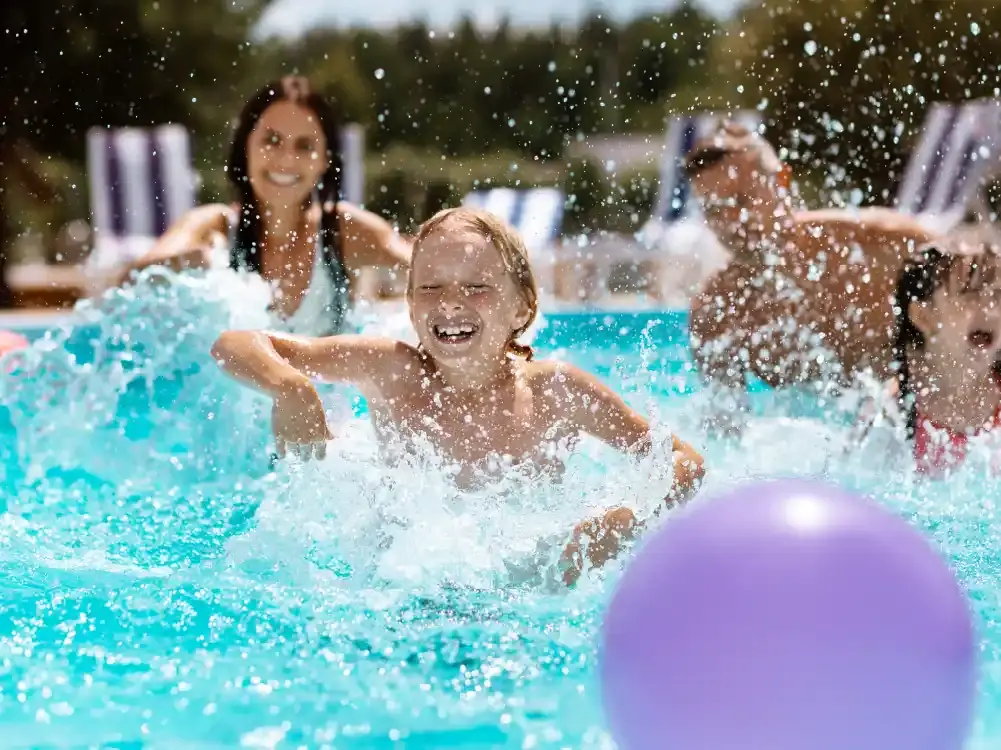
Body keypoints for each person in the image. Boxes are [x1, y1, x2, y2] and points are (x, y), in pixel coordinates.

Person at [211, 206, 706, 586]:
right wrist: (290, 387)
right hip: (401, 587)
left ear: (522, 307)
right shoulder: (390, 371)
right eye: (430, 286)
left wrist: (621, 524)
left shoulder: (557, 392)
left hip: (527, 592)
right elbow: (235, 343)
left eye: (477, 286)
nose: (450, 302)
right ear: (408, 304)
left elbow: (684, 460)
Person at [684, 122, 938, 426]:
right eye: (714, 209)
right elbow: (725, 433)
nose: (731, 221)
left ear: (781, 180)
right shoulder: (717, 314)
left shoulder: (879, 244)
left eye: (742, 200)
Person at [119, 76, 411, 336]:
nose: (285, 160)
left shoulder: (343, 231)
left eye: (304, 146)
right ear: (246, 146)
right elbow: (129, 281)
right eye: (271, 140)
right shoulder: (213, 226)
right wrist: (193, 262)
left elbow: (429, 265)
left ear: (325, 160)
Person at [881, 226, 1001, 475]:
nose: (992, 310)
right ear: (923, 316)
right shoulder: (896, 410)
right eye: (972, 294)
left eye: (999, 295)